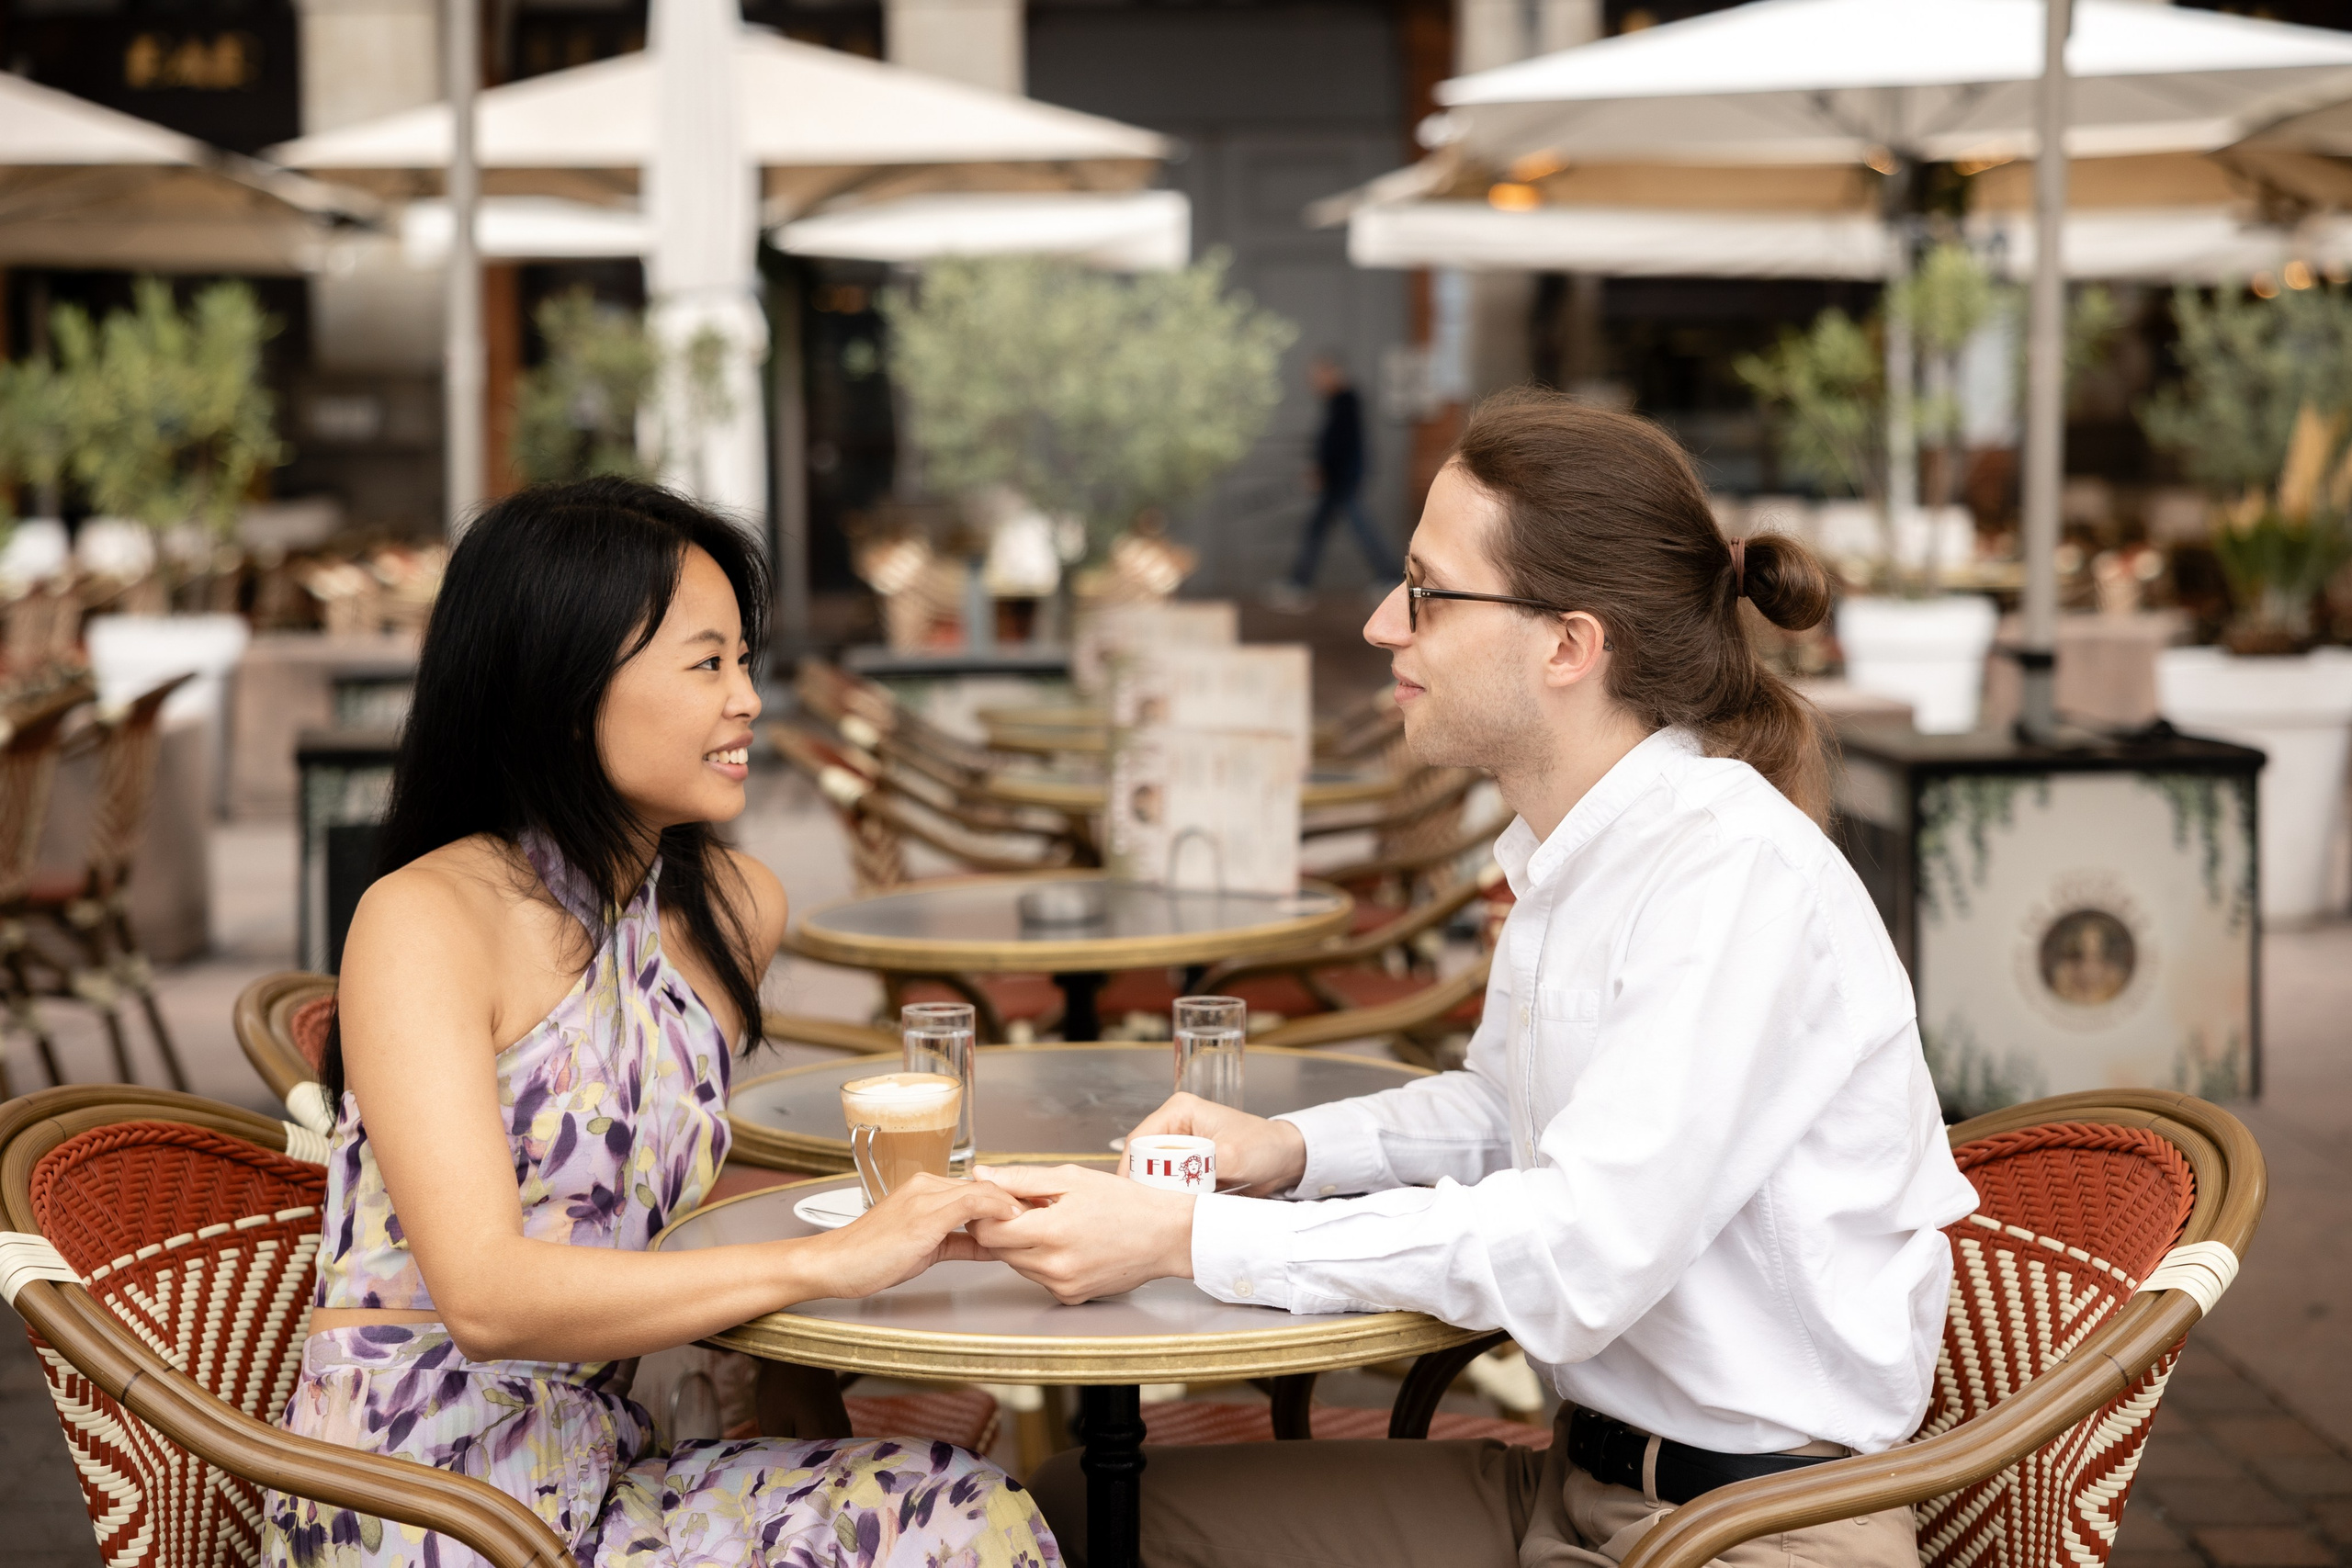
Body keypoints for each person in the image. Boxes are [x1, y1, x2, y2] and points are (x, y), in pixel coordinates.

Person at [971, 390, 1979, 1568]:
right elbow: (1504, 1116)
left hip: (1754, 1530)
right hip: (1575, 1481)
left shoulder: (1733, 878)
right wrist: (1286, 1153)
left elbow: (1575, 1252)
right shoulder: (1580, 851)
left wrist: (1189, 1237)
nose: (1379, 625)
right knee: (1079, 1511)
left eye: (1427, 592)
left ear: (1568, 645)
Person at [266, 478, 1057, 1568]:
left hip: (605, 1477)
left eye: (742, 660)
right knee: (950, 1518)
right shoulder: (423, 919)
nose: (746, 701)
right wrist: (827, 1264)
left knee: (960, 1502)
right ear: (565, 683)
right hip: (422, 1502)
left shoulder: (728, 912)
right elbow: (490, 1299)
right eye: (705, 663)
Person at [1267, 352, 1399, 609]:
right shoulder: (1338, 402)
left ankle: (1390, 578)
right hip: (1338, 479)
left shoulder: (1345, 402)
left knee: (1351, 530)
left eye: (1318, 375)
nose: (1314, 381)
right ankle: (1299, 584)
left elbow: (1338, 444)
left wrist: (1323, 470)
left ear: (1332, 373)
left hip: (1342, 480)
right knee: (1324, 531)